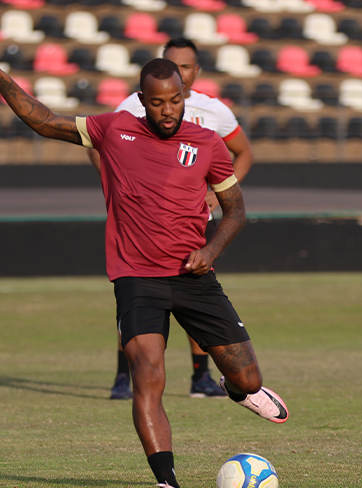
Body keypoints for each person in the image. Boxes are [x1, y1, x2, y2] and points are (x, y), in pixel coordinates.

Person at [0, 52, 288, 488]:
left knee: (249, 376)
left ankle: (237, 390)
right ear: (143, 100)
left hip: (194, 277)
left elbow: (236, 210)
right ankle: (168, 485)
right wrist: (0, 78)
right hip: (137, 279)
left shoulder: (208, 143)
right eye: (158, 103)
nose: (168, 110)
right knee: (148, 377)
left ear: (185, 97)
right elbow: (44, 121)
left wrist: (210, 251)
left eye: (176, 100)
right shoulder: (113, 130)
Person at [88, 38, 254, 401]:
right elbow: (102, 143)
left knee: (193, 295)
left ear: (196, 72)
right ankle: (122, 376)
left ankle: (202, 377)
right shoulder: (134, 106)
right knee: (137, 311)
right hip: (140, 233)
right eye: (171, 65)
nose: (178, 73)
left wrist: (216, 192)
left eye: (185, 67)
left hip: (190, 225)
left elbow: (242, 153)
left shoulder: (213, 112)